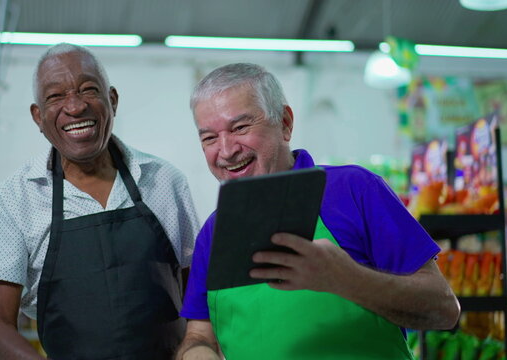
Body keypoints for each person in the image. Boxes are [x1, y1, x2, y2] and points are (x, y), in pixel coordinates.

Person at [175, 63, 460, 360]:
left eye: (240, 128)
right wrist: (197, 352)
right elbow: (199, 333)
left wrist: (347, 279)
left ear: (285, 123)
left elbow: (442, 310)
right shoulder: (213, 231)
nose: (226, 150)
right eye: (209, 138)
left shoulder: (355, 189)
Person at [0, 43, 200, 360]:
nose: (75, 107)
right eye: (55, 96)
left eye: (88, 90)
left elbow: (198, 298)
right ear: (38, 116)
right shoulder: (11, 201)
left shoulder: (165, 181)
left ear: (113, 100)